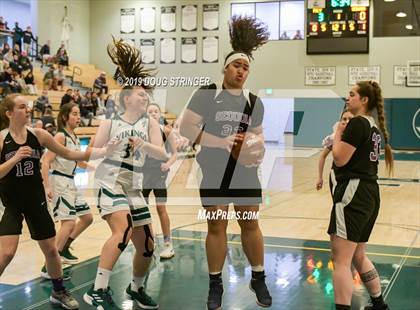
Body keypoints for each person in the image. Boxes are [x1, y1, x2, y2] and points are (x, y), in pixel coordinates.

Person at [179, 16, 271, 310]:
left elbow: (258, 139)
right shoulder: (207, 93)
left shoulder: (254, 101)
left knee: (250, 223)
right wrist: (220, 143)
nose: (242, 71)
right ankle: (215, 284)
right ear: (226, 68)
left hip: (244, 172)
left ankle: (258, 277)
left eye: (246, 68)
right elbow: (186, 128)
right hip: (216, 171)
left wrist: (256, 150)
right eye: (237, 66)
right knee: (216, 227)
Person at [0, 94, 115, 309]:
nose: (27, 110)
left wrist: (103, 152)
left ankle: (58, 291)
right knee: (6, 253)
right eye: (22, 107)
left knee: (52, 250)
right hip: (12, 204)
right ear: (9, 113)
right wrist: (15, 158)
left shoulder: (39, 135)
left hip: (36, 202)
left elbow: (70, 154)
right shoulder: (1, 139)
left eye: (28, 106)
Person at [83, 38, 166, 310]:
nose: (145, 97)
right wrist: (105, 149)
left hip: (134, 185)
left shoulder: (151, 123)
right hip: (110, 181)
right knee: (123, 230)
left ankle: (136, 288)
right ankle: (98, 290)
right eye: (141, 94)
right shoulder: (110, 122)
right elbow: (90, 155)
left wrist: (145, 144)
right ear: (127, 97)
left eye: (146, 95)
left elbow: (163, 155)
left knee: (148, 244)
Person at [329, 81, 394, 310]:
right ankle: (378, 304)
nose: (348, 98)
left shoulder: (357, 124)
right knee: (358, 255)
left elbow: (339, 159)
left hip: (353, 193)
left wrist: (338, 132)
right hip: (369, 193)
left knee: (341, 261)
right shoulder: (373, 127)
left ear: (364, 100)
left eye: (352, 94)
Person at [41, 103, 93, 266]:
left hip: (71, 181)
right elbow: (46, 161)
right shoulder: (60, 136)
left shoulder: (74, 137)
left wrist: (97, 168)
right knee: (68, 222)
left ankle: (64, 247)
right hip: (60, 181)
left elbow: (78, 161)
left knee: (87, 218)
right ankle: (50, 263)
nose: (79, 117)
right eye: (75, 114)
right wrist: (47, 186)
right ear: (65, 117)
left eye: (79, 114)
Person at [143, 103, 178, 259]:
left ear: (160, 114)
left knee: (160, 208)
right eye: (150, 111)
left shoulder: (166, 131)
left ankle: (168, 244)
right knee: (142, 209)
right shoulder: (142, 132)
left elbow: (175, 154)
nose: (153, 113)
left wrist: (167, 164)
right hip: (143, 173)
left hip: (159, 173)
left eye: (155, 111)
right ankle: (149, 240)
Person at [316, 109, 354, 192]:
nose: (347, 121)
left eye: (350, 119)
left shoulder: (359, 135)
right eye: (344, 119)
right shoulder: (335, 137)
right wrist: (320, 177)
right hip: (338, 177)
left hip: (354, 178)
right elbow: (322, 156)